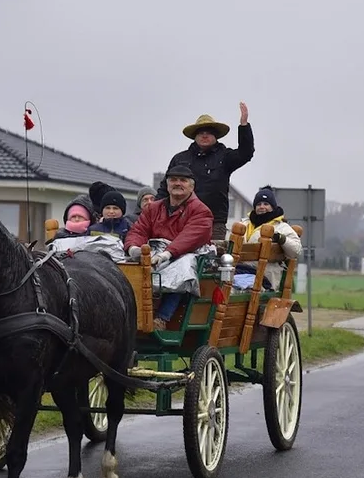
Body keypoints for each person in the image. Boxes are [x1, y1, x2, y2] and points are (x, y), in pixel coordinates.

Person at [124, 164, 214, 331]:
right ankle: (131, 316)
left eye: (183, 180)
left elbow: (190, 237)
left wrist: (166, 254)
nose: (177, 183)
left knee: (183, 267)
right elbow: (138, 230)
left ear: (191, 186)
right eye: (173, 180)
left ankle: (162, 318)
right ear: (167, 184)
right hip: (156, 253)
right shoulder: (153, 208)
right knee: (125, 266)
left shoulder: (201, 211)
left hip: (190, 254)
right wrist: (134, 249)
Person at [156, 102, 254, 240]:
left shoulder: (225, 157)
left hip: (213, 223)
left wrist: (244, 126)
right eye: (201, 132)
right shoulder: (180, 159)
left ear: (216, 136)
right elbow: (164, 189)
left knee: (210, 259)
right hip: (180, 220)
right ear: (194, 136)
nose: (204, 135)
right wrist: (153, 212)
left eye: (209, 132)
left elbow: (246, 153)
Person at [227, 186, 302, 290]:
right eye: (258, 204)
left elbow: (296, 251)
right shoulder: (243, 224)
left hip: (266, 278)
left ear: (273, 207)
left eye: (266, 204)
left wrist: (281, 238)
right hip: (239, 272)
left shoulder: (281, 227)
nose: (262, 207)